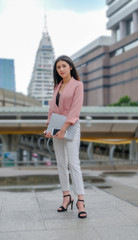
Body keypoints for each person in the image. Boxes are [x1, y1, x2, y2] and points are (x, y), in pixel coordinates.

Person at [44, 55, 87, 219]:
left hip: (71, 126)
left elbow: (75, 110)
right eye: (58, 67)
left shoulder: (78, 85)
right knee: (61, 164)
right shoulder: (57, 85)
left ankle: (80, 201)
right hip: (56, 125)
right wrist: (49, 127)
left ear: (70, 67)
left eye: (64, 66)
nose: (61, 69)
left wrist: (63, 129)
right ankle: (66, 197)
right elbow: (52, 109)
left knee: (73, 164)